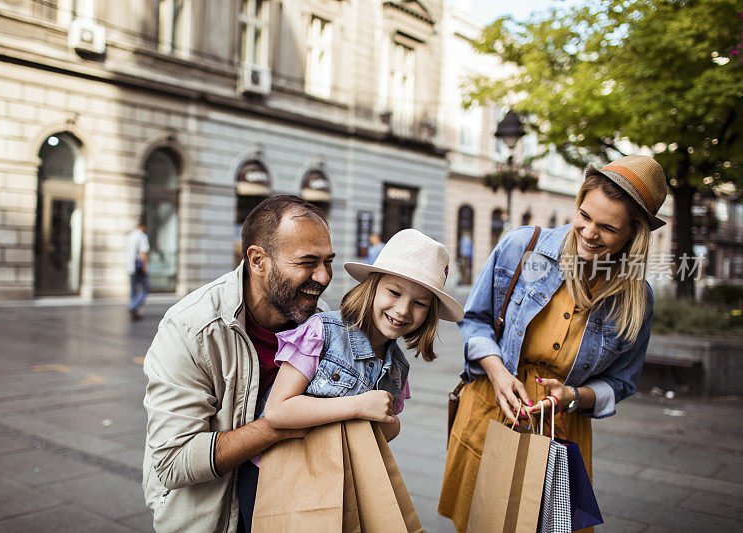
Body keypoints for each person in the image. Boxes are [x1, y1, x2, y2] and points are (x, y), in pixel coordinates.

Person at [438, 155, 668, 532]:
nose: (589, 232)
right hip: (492, 409)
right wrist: (496, 373)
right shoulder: (522, 248)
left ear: (633, 235)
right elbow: (476, 319)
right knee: (481, 521)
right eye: (585, 215)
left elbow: (622, 382)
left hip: (561, 429)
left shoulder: (636, 299)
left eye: (607, 227)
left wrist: (574, 396)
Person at [142, 195, 336, 533]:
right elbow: (174, 462)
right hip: (214, 517)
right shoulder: (192, 327)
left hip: (295, 508)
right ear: (258, 260)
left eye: (328, 261)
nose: (322, 276)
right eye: (307, 262)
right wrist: (281, 422)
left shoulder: (320, 324)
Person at [264, 229, 464, 445]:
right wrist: (358, 406)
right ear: (372, 287)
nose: (403, 310)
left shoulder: (398, 369)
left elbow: (379, 435)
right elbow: (277, 411)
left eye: (420, 303)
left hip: (338, 473)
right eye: (395, 293)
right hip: (291, 470)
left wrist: (392, 423)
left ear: (429, 314)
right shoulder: (322, 332)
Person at [126, 219, 150, 320]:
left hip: (130, 266)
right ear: (143, 226)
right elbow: (143, 252)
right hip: (139, 267)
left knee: (133, 290)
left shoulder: (130, 236)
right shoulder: (142, 236)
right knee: (146, 288)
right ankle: (133, 306)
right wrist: (145, 266)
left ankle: (134, 311)